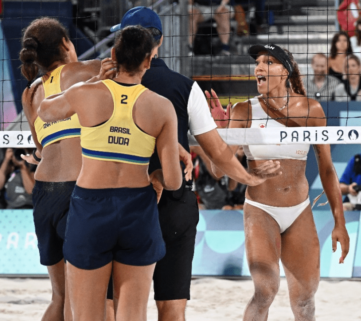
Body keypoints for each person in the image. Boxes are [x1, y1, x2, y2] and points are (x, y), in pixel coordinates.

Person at [106, 7, 281, 321]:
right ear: (158, 43)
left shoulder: (98, 86)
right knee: (172, 307)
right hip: (173, 202)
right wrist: (249, 178)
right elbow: (218, 153)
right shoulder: (185, 87)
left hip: (118, 199)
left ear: (120, 44)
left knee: (115, 306)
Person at [38, 26, 183, 321]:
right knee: (133, 314)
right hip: (138, 207)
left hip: (91, 207)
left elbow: (45, 111)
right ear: (148, 61)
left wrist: (93, 80)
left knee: (87, 315)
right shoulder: (162, 107)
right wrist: (156, 178)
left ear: (113, 55)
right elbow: (173, 181)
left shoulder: (86, 93)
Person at [210, 43, 349, 320]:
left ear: (285, 72)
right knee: (265, 291)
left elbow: (328, 169)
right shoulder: (243, 111)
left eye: (268, 63)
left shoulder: (312, 110)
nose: (259, 67)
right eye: (258, 63)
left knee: (305, 301)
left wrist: (339, 222)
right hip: (261, 210)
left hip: (299, 210)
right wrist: (220, 132)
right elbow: (217, 170)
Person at [18, 16, 105, 320]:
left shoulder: (29, 94)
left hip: (43, 194)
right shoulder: (87, 70)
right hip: (74, 192)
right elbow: (133, 65)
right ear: (67, 44)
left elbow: (41, 147)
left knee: (60, 296)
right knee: (81, 299)